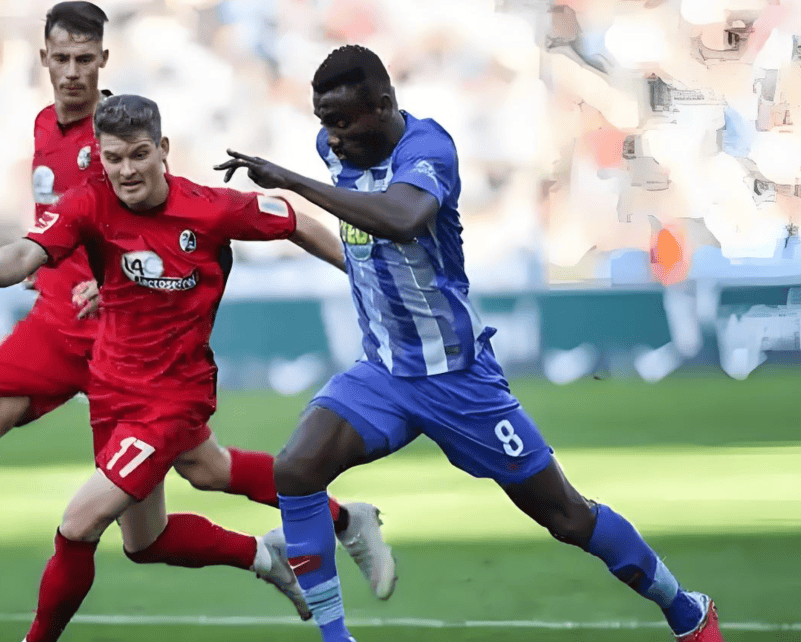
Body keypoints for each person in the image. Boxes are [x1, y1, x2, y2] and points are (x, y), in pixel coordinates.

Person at [0, 7, 393, 641]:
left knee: (80, 522)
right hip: (108, 372)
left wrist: (361, 271)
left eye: (137, 156)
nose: (126, 170)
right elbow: (33, 247)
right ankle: (293, 546)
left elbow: (290, 219)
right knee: (157, 527)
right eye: (114, 159)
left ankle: (8, 629)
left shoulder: (204, 207)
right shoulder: (78, 177)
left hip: (165, 388)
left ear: (161, 149)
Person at [215, 45, 726, 642]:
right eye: (323, 121)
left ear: (383, 105)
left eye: (343, 121)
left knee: (566, 516)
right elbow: (365, 243)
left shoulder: (428, 149)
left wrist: (292, 182)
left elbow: (402, 218)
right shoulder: (336, 150)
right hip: (384, 373)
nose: (331, 136)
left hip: (457, 378)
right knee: (296, 469)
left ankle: (687, 611)